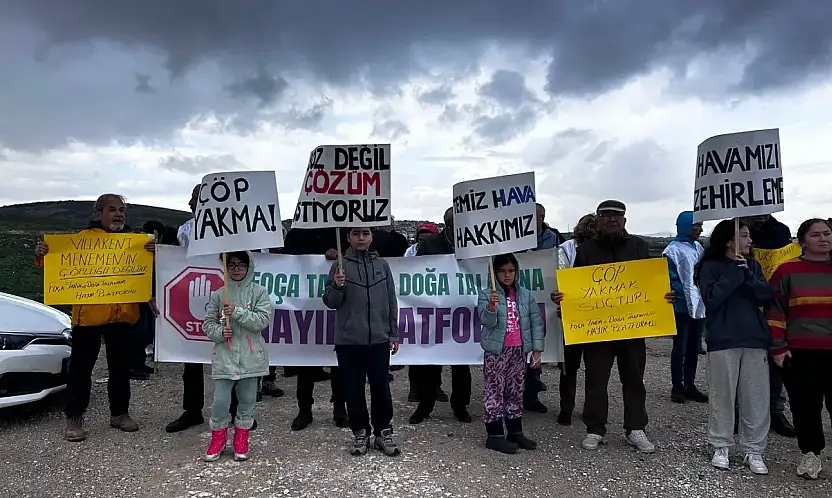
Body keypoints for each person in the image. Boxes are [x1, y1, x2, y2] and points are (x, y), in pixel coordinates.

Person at [551, 200, 673, 453]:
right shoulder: (586, 250)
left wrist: (664, 296)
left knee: (634, 380)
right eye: (605, 215)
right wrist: (564, 298)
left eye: (617, 215)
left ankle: (635, 428)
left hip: (633, 329)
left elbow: (651, 282)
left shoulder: (639, 246)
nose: (611, 219)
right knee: (596, 380)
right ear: (598, 220)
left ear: (625, 220)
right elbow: (575, 287)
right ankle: (595, 428)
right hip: (598, 331)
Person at [34, 194, 154, 441]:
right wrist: (43, 254)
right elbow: (54, 264)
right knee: (81, 369)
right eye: (113, 209)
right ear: (98, 213)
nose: (119, 214)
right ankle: (75, 417)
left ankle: (119, 413)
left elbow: (149, 272)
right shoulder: (81, 240)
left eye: (122, 210)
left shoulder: (136, 243)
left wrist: (155, 253)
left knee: (120, 367)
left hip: (123, 315)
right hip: (88, 317)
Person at [166, 185, 252, 433]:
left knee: (233, 357)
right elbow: (175, 264)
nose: (193, 202)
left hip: (229, 300)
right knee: (191, 359)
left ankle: (238, 411)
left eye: (199, 198)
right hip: (195, 298)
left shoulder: (237, 230)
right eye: (193, 198)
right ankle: (192, 410)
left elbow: (254, 259)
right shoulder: (185, 230)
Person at [696, 219, 773, 475]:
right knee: (723, 396)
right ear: (729, 240)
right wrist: (733, 274)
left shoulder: (752, 265)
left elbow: (765, 295)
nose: (750, 240)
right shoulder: (710, 266)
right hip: (723, 339)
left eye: (749, 236)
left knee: (756, 397)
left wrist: (748, 274)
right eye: (744, 235)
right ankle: (721, 445)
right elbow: (712, 299)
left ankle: (754, 449)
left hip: (754, 338)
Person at [323, 227, 401, 457]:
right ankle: (360, 432)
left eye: (365, 233)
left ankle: (383, 431)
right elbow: (330, 301)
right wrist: (338, 286)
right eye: (355, 233)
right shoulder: (339, 266)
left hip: (378, 339)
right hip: (349, 341)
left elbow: (391, 301)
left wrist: (393, 333)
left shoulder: (382, 265)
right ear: (348, 238)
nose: (360, 238)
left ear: (371, 237)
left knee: (381, 387)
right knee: (353, 390)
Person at [768, 218, 832, 480]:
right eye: (816, 234)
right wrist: (779, 348)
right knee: (805, 407)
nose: (823, 238)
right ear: (802, 241)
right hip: (801, 352)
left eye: (827, 233)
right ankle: (810, 455)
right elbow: (774, 312)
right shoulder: (787, 271)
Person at [202, 251, 270, 462]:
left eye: (241, 265)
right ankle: (218, 439)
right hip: (225, 357)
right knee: (221, 401)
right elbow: (208, 324)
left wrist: (238, 312)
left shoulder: (259, 292)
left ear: (248, 266)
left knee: (247, 400)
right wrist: (220, 333)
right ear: (225, 267)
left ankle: (241, 439)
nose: (236, 269)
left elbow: (262, 320)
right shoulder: (218, 294)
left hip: (251, 358)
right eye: (231, 265)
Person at [282, 226, 349, 431]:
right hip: (305, 309)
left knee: (339, 366)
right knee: (306, 364)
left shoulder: (342, 230)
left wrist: (340, 256)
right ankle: (304, 411)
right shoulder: (297, 234)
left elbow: (355, 256)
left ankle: (340, 409)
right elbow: (284, 261)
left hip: (335, 309)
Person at [409, 207, 472, 424]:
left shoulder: (474, 243)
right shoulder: (429, 245)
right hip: (436, 311)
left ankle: (460, 405)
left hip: (463, 311)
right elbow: (417, 272)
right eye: (457, 226)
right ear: (448, 225)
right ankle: (425, 405)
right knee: (430, 363)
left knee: (462, 363)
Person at [479, 253, 545, 454]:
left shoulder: (525, 294)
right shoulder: (487, 294)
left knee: (516, 391)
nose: (507, 275)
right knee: (494, 391)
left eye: (511, 271)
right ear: (495, 273)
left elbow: (535, 322)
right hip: (496, 352)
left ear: (516, 272)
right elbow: (486, 321)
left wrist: (536, 350)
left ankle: (515, 432)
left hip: (518, 351)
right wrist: (491, 306)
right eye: (501, 271)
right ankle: (495, 435)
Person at [743, 213, 796, 438]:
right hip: (746, 305)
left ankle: (776, 411)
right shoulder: (737, 227)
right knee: (744, 365)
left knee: (777, 364)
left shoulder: (781, 231)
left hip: (775, 302)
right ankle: (742, 412)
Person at [522, 203, 568, 413]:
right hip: (519, 297)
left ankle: (531, 397)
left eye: (536, 217)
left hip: (543, 299)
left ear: (542, 218)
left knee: (537, 349)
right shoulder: (515, 237)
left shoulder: (554, 238)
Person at [555, 213, 597, 426]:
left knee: (591, 367)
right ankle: (567, 410)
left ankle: (579, 409)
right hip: (574, 315)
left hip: (594, 316)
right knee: (571, 367)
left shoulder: (567, 248)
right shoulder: (566, 249)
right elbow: (562, 277)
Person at [662, 211, 708, 404]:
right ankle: (677, 386)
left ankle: (690, 384)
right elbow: (668, 278)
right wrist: (680, 292)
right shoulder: (671, 251)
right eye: (696, 226)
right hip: (681, 306)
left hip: (699, 305)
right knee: (680, 348)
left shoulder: (698, 247)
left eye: (701, 226)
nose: (700, 229)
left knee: (694, 347)